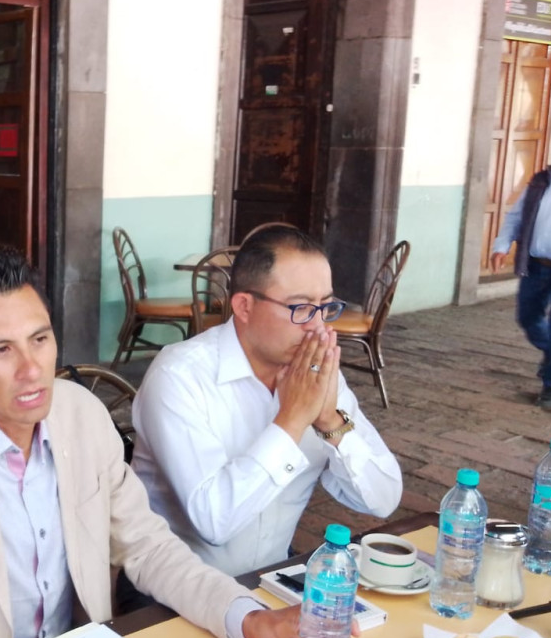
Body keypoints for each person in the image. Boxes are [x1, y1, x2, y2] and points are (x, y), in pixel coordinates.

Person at [0, 248, 357, 638]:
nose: (32, 370)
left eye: (40, 340)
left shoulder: (82, 416)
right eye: (1, 350)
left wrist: (245, 618)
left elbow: (148, 547)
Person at [130, 227, 402, 579]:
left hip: (271, 578)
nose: (318, 327)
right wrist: (292, 419)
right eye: (301, 308)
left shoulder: (315, 374)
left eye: (326, 307)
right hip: (171, 586)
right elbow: (213, 522)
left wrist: (331, 422)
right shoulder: (179, 376)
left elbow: (383, 499)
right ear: (244, 306)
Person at [490, 124, 551, 407]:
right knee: (527, 317)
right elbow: (516, 215)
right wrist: (501, 245)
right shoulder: (541, 180)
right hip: (536, 264)